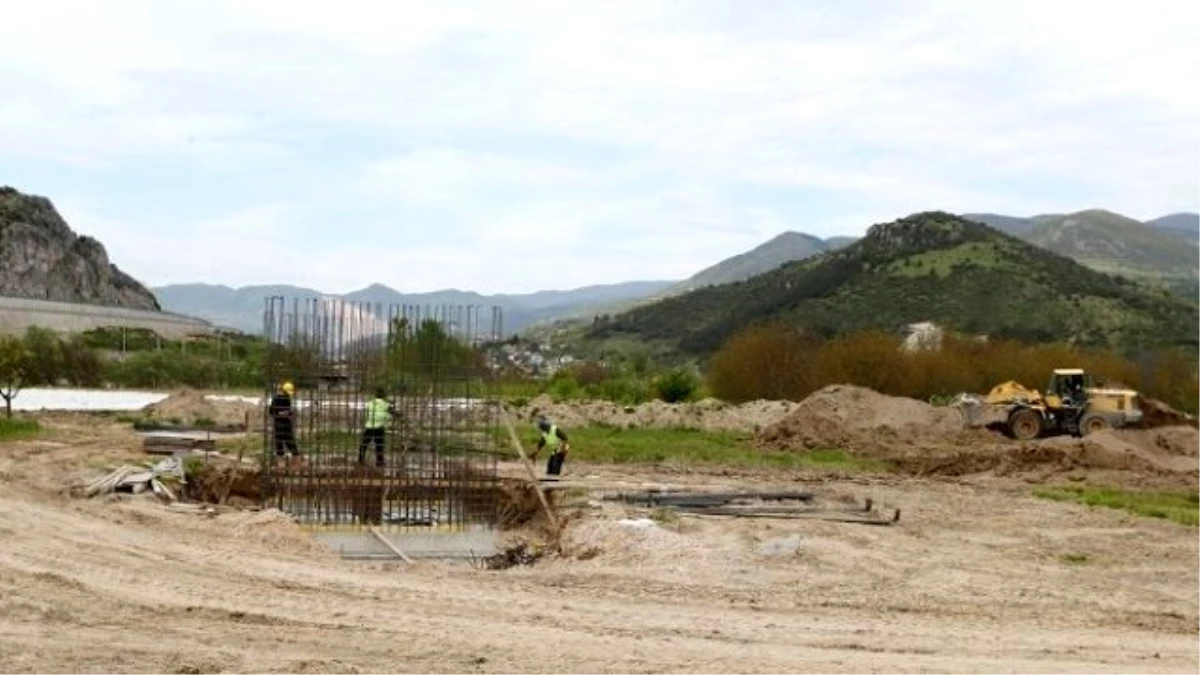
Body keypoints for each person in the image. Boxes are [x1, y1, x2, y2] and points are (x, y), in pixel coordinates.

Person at [358, 388, 396, 468]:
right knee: (379, 445)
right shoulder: (386, 404)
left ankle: (360, 460)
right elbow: (393, 412)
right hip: (379, 428)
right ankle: (379, 462)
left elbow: (365, 409)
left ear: (375, 395)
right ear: (384, 396)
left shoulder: (371, 403)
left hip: (370, 426)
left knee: (364, 444)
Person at [269, 381, 298, 463]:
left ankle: (294, 458)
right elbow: (272, 411)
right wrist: (282, 413)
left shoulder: (287, 398)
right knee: (281, 441)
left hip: (284, 422)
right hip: (280, 423)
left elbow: (287, 410)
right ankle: (281, 460)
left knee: (288, 440)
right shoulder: (277, 399)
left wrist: (288, 413)